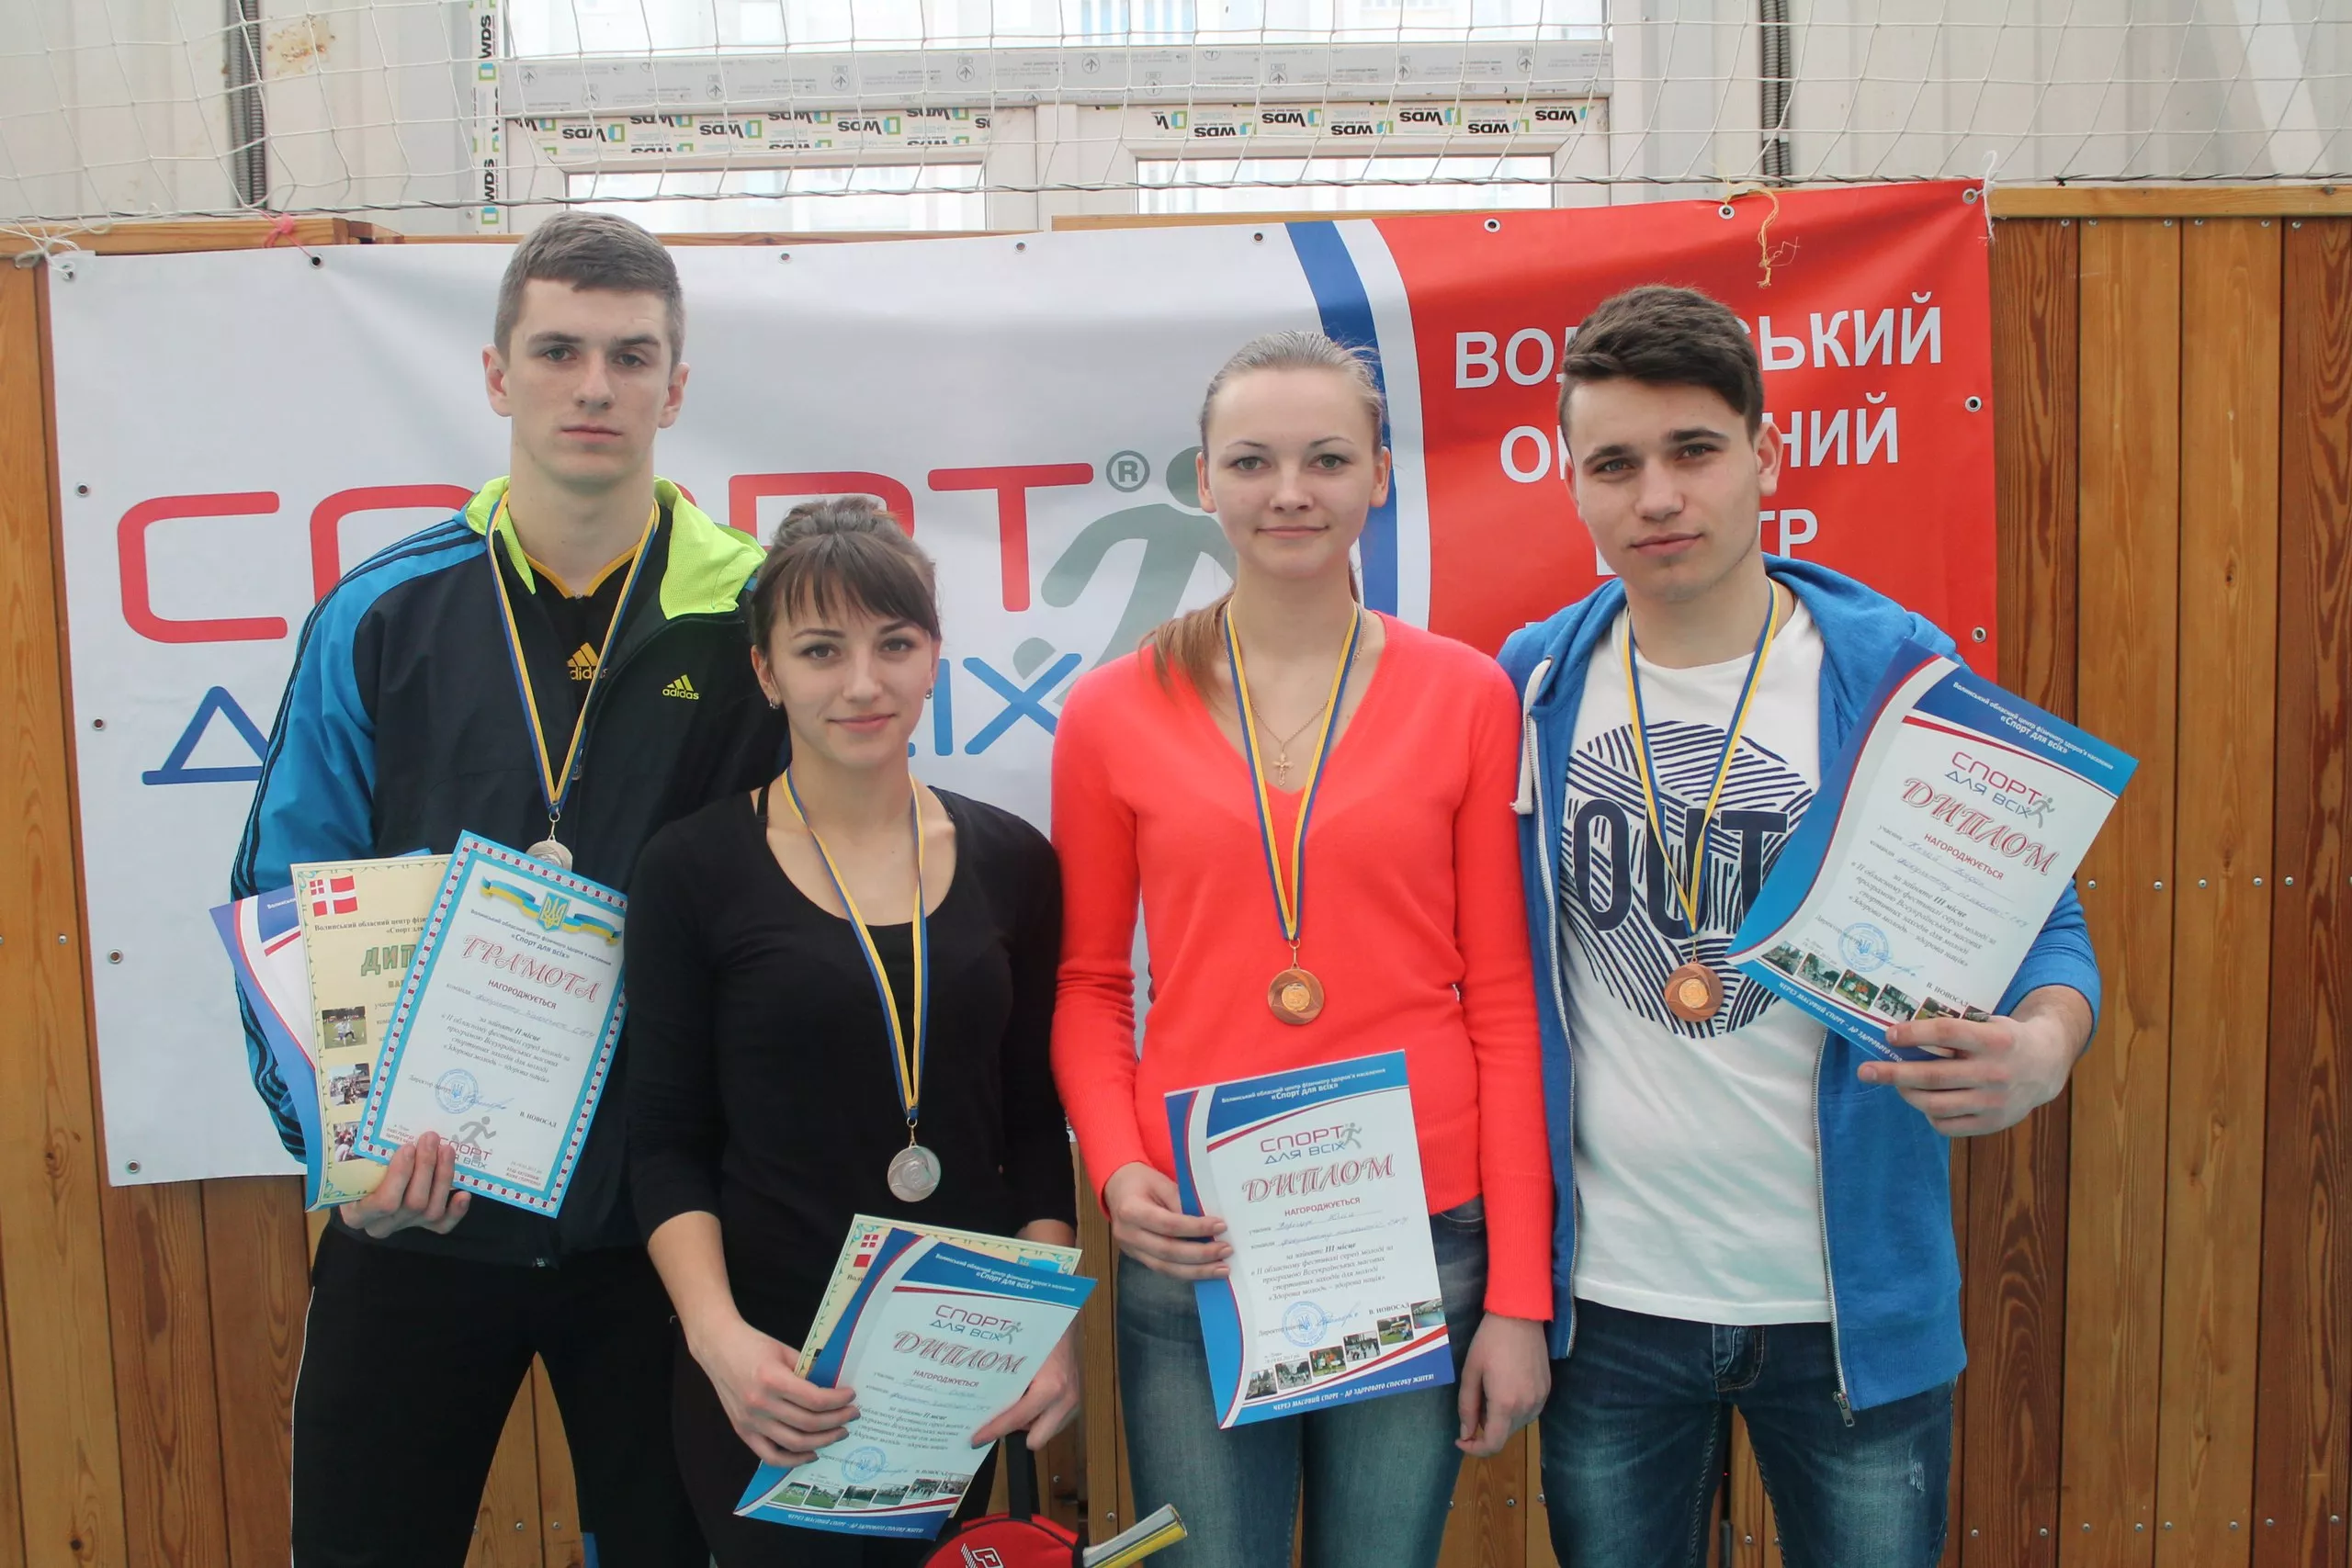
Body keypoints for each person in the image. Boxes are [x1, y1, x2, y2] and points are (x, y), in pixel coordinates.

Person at [1498, 285, 2101, 1567]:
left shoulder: (1891, 674)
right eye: (1615, 464)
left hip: (1849, 1306)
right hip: (1609, 1307)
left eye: (1694, 450)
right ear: (1574, 485)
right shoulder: (1529, 685)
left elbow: (2041, 914)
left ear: (1767, 455)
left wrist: (2045, 1046)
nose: (1658, 496)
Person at [231, 210, 783, 1566]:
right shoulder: (383, 612)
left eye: (630, 356)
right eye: (558, 351)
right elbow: (281, 896)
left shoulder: (761, 616)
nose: (594, 386)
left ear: (675, 388)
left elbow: (814, 904)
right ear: (496, 374)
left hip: (667, 1229)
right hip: (420, 1205)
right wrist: (347, 1163)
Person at [1050, 331, 1555, 1568]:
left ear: (1380, 474)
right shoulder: (1112, 709)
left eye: (1327, 458)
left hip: (1419, 1221)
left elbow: (1501, 998)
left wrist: (1520, 1297)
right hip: (1200, 1229)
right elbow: (1091, 985)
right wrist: (1117, 1170)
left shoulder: (1467, 694)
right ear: (1203, 480)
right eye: (1252, 461)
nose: (1290, 491)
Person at [626, 499, 1080, 1566]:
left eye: (895, 644)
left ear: (934, 660)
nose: (863, 683)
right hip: (770, 1372)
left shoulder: (1013, 860)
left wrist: (1043, 1328)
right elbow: (664, 1141)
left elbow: (1030, 1124)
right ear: (767, 671)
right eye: (821, 650)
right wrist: (718, 1341)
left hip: (958, 1372)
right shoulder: (692, 868)